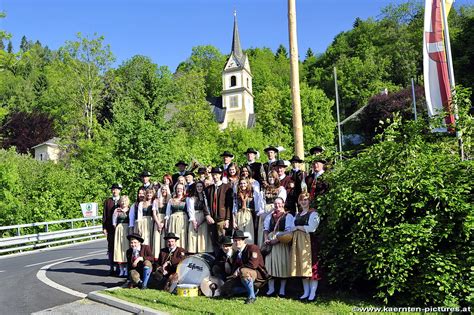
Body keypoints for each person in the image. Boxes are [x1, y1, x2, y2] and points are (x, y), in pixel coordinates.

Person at [220, 230, 269, 304]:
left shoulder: (252, 248)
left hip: (258, 276)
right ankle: (251, 290)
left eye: (239, 240)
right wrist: (228, 258)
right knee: (225, 289)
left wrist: (239, 269)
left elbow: (253, 265)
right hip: (242, 277)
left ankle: (252, 296)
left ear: (244, 240)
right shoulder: (237, 253)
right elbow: (233, 270)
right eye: (235, 240)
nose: (237, 242)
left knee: (243, 271)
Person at [290, 193, 322, 302]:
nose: (304, 202)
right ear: (299, 201)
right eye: (302, 200)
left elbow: (312, 228)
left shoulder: (313, 213)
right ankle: (306, 292)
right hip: (299, 242)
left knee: (312, 266)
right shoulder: (298, 214)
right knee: (302, 266)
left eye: (306, 200)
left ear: (309, 201)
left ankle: (312, 293)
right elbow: (291, 227)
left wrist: (298, 227)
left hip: (310, 243)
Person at [263, 197, 294, 297]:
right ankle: (271, 289)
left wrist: (276, 240)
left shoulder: (288, 216)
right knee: (270, 265)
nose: (277, 205)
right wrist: (266, 239)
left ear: (283, 204)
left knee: (282, 265)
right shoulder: (269, 216)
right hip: (270, 244)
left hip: (282, 243)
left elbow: (289, 231)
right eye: (276, 204)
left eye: (279, 203)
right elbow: (266, 229)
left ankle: (282, 290)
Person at [205, 167, 234, 247]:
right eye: (213, 175)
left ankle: (224, 258)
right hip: (212, 219)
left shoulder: (227, 187)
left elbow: (229, 205)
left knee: (223, 240)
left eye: (217, 175)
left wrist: (227, 219)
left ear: (220, 175)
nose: (215, 177)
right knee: (214, 242)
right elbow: (205, 203)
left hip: (222, 219)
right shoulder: (208, 189)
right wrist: (207, 215)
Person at [258, 171, 286, 247]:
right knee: (264, 231)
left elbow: (280, 203)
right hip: (265, 211)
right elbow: (261, 204)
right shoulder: (263, 190)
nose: (271, 179)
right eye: (270, 177)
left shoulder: (280, 189)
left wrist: (270, 213)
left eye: (273, 177)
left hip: (276, 211)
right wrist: (262, 213)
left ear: (276, 178)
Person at [233, 178, 262, 244]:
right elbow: (234, 207)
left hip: (249, 215)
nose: (243, 185)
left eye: (244, 183)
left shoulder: (252, 193)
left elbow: (256, 205)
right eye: (241, 183)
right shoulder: (237, 194)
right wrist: (234, 220)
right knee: (240, 234)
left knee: (249, 234)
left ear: (247, 184)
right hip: (240, 215)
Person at [187, 181, 213, 253]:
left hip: (204, 217)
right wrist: (194, 222)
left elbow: (207, 208)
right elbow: (190, 210)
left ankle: (203, 252)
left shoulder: (205, 197)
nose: (199, 188)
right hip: (195, 216)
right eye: (197, 186)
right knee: (194, 234)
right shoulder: (192, 198)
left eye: (201, 186)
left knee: (203, 234)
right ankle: (194, 252)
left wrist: (204, 218)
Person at [103, 183, 122, 275]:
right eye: (113, 189)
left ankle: (119, 267)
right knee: (110, 247)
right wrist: (104, 228)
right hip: (110, 228)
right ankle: (111, 267)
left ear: (119, 191)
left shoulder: (122, 201)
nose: (115, 191)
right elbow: (105, 216)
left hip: (120, 228)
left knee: (118, 247)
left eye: (117, 189)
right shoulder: (108, 201)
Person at [165, 183, 188, 249]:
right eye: (178, 188)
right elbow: (168, 213)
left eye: (181, 188)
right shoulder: (171, 200)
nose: (179, 190)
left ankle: (182, 251)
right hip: (173, 220)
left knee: (182, 235)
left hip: (183, 219)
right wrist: (166, 222)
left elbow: (189, 211)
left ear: (183, 190)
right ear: (175, 190)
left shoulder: (186, 199)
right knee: (173, 235)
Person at [113, 196, 131, 277]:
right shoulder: (117, 210)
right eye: (122, 201)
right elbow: (114, 222)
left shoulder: (130, 210)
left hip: (127, 228)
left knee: (126, 248)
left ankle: (126, 269)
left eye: (125, 201)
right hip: (119, 229)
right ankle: (121, 269)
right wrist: (117, 228)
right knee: (119, 248)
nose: (123, 203)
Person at [152, 186, 170, 261]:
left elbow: (169, 212)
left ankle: (164, 257)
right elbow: (154, 213)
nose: (164, 191)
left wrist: (163, 223)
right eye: (162, 189)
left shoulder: (169, 200)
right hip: (157, 220)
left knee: (164, 239)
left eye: (165, 190)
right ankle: (156, 257)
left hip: (166, 220)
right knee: (157, 238)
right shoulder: (156, 201)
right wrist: (158, 223)